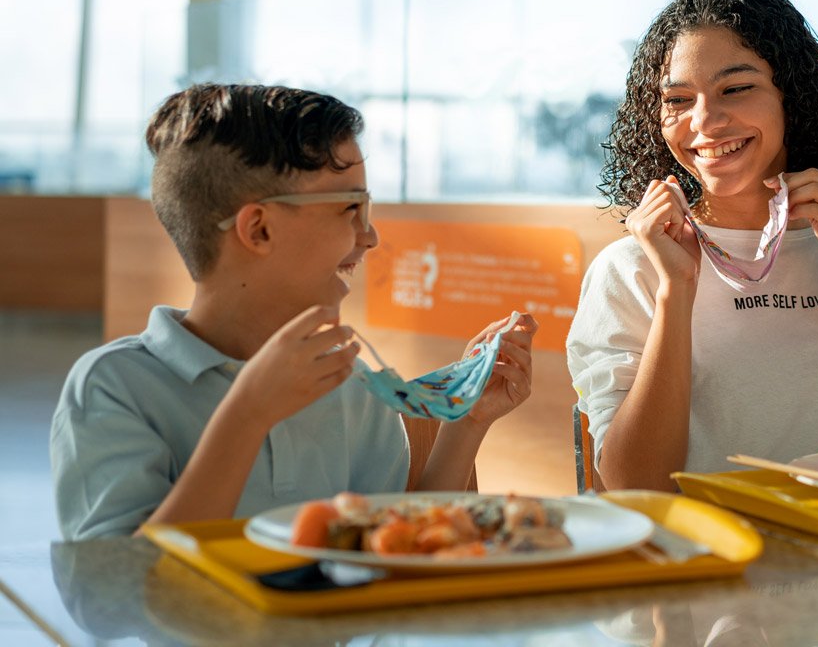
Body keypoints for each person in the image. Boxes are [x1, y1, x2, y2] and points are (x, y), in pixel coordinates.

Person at [51, 84, 537, 539]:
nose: (370, 237)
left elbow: (389, 542)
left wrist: (466, 423)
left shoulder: (349, 384)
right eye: (350, 209)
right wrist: (249, 413)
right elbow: (118, 591)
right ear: (258, 229)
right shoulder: (112, 387)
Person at [567, 0, 818, 491]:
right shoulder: (632, 269)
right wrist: (675, 290)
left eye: (737, 88)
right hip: (703, 563)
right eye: (678, 100)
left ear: (793, 97)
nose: (705, 121)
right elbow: (638, 483)